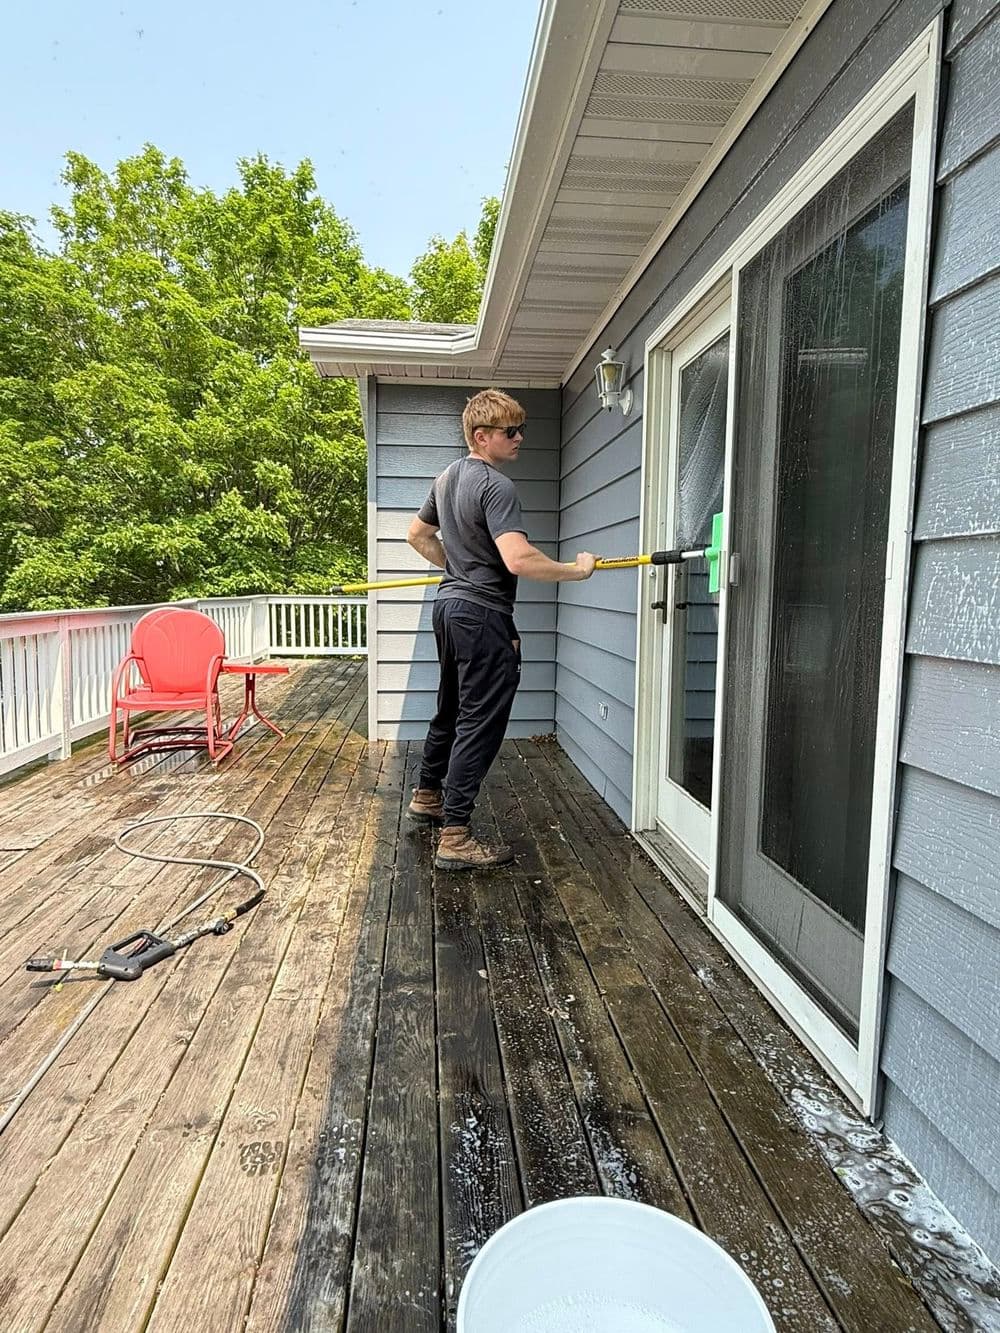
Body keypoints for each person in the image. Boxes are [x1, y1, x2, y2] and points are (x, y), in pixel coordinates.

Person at [406, 388, 597, 870]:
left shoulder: (447, 477)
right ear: (481, 436)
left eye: (521, 429)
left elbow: (418, 536)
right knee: (479, 721)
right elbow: (518, 558)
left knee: (450, 706)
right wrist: (576, 570)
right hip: (480, 616)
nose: (519, 438)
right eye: (510, 432)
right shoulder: (495, 486)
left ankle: (428, 794)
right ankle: (455, 835)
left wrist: (460, 568)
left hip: (448, 608)